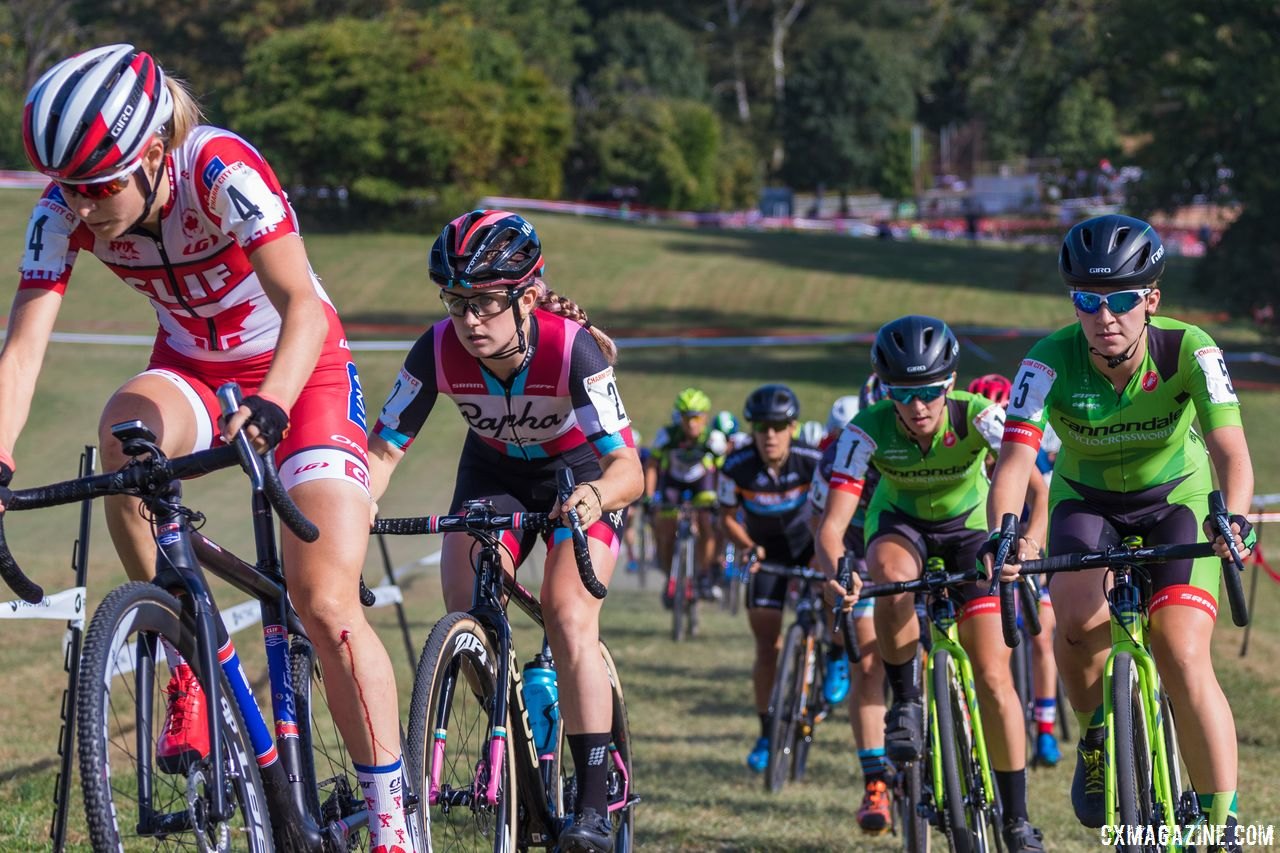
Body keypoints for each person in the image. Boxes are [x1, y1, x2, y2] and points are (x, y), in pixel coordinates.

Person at [8, 44, 415, 851]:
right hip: (193, 371)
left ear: (154, 153)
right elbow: (21, 350)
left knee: (324, 598)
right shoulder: (61, 211)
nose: (81, 207)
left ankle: (393, 823)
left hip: (302, 370)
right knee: (123, 436)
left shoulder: (219, 169)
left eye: (98, 187)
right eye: (69, 188)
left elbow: (302, 304)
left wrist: (271, 404)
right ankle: (180, 635)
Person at [367, 209, 643, 853]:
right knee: (464, 610)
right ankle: (513, 746)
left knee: (567, 614)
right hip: (492, 473)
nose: (469, 321)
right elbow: (382, 454)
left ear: (525, 297)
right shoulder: (434, 348)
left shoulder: (570, 347)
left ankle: (596, 799)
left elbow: (630, 467)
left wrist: (594, 498)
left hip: (580, 474)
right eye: (457, 302)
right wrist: (353, 509)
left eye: (486, 304)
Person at [986, 214, 1254, 849]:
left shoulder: (1191, 348)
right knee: (1075, 627)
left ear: (1151, 299)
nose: (1106, 316)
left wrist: (1234, 517)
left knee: (1183, 652)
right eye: (1088, 300)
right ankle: (1100, 739)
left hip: (1176, 499)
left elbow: (1231, 452)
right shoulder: (1045, 363)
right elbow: (1015, 465)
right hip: (1089, 501)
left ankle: (1221, 821)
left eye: (1124, 300)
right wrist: (1006, 532)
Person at [816, 316, 1046, 852]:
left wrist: (1029, 542)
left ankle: (1016, 818)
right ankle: (906, 702)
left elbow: (1038, 490)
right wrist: (840, 570)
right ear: (884, 389)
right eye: (902, 394)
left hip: (969, 531)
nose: (917, 408)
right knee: (891, 578)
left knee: (993, 677)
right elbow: (832, 528)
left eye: (928, 393)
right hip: (900, 527)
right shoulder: (865, 430)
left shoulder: (980, 415)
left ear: (950, 383)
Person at [717, 384, 823, 772]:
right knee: (766, 646)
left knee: (830, 599)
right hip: (764, 555)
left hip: (809, 548)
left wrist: (823, 552)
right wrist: (746, 546)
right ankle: (766, 730)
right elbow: (726, 517)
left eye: (779, 427)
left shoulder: (813, 461)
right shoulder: (737, 466)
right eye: (762, 427)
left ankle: (833, 658)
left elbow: (834, 510)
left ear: (793, 427)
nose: (770, 435)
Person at [808, 393, 894, 833]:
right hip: (858, 552)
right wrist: (831, 571)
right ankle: (874, 780)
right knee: (868, 663)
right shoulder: (838, 456)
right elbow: (820, 520)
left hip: (922, 543)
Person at [967, 374, 1061, 767]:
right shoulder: (971, 455)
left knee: (1043, 633)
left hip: (1032, 544)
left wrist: (1033, 551)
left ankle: (1045, 728)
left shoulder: (1032, 456)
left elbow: (1046, 505)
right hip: (990, 549)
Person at [645, 388, 724, 606]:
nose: (691, 424)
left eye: (696, 418)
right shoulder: (668, 435)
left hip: (702, 481)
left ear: (705, 417)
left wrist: (721, 499)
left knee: (708, 522)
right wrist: (649, 497)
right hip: (674, 481)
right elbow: (652, 466)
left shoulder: (713, 438)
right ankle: (671, 573)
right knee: (665, 526)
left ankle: (704, 574)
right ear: (679, 417)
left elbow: (722, 472)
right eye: (686, 418)